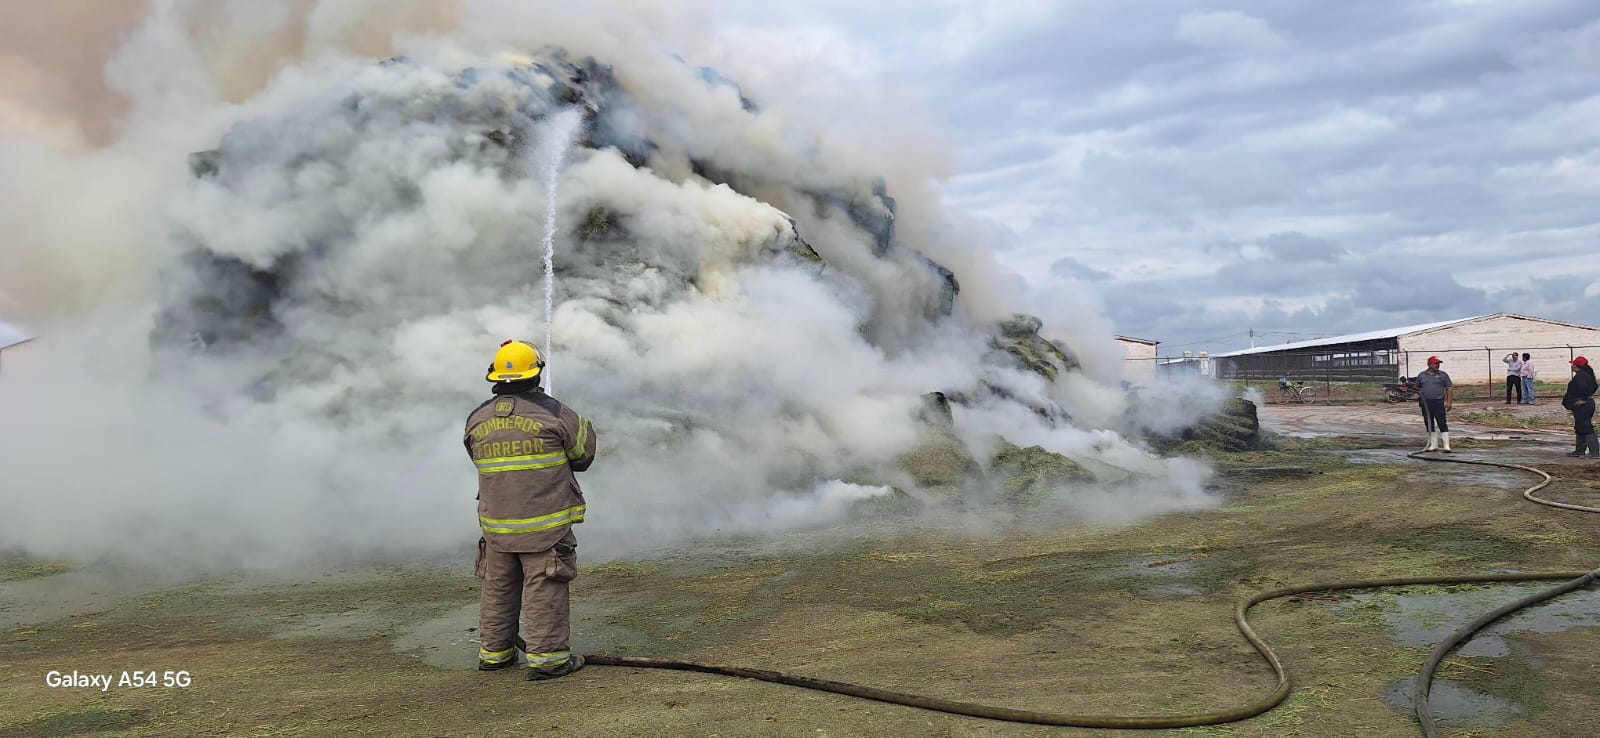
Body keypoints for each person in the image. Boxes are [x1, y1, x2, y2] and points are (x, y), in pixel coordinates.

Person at [465, 340, 597, 679]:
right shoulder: (555, 414)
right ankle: (549, 661)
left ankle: (495, 655)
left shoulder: (476, 419)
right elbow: (583, 455)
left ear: (494, 376)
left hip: (497, 527)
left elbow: (476, 456)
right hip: (545, 527)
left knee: (498, 587)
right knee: (545, 588)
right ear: (537, 372)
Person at [1414, 356, 1454, 453]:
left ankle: (1446, 446)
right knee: (1429, 423)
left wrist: (1449, 402)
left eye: (1438, 363)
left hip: (1438, 402)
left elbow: (1449, 388)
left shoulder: (1443, 375)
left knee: (1442, 422)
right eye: (1435, 363)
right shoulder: (1422, 375)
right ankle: (1433, 445)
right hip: (1426, 403)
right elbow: (1416, 387)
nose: (1437, 365)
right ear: (1429, 364)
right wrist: (1415, 390)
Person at [1561, 356, 1597, 458]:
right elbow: (1595, 386)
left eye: (1573, 364)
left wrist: (1584, 399)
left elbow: (1583, 387)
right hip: (1585, 404)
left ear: (1577, 366)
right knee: (1580, 427)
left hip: (1584, 406)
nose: (1572, 366)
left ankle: (1594, 453)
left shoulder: (1581, 376)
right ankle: (1579, 450)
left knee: (1586, 427)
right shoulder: (1587, 375)